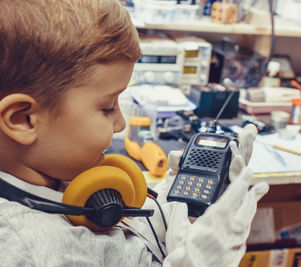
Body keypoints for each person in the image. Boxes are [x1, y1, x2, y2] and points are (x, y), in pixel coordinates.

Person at [0, 0, 269, 266]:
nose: (121, 124)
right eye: (107, 108)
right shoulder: (29, 251)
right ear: (23, 120)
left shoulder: (55, 173)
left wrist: (171, 212)